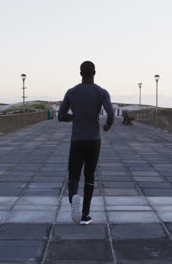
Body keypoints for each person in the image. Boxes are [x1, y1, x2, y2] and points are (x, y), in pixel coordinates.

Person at [58, 61, 114, 224]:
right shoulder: (102, 92)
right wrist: (107, 126)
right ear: (94, 73)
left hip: (77, 140)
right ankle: (85, 215)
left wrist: (73, 117)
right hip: (94, 140)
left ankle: (74, 196)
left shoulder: (71, 92)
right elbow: (110, 116)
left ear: (80, 73)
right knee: (89, 175)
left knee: (74, 175)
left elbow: (61, 116)